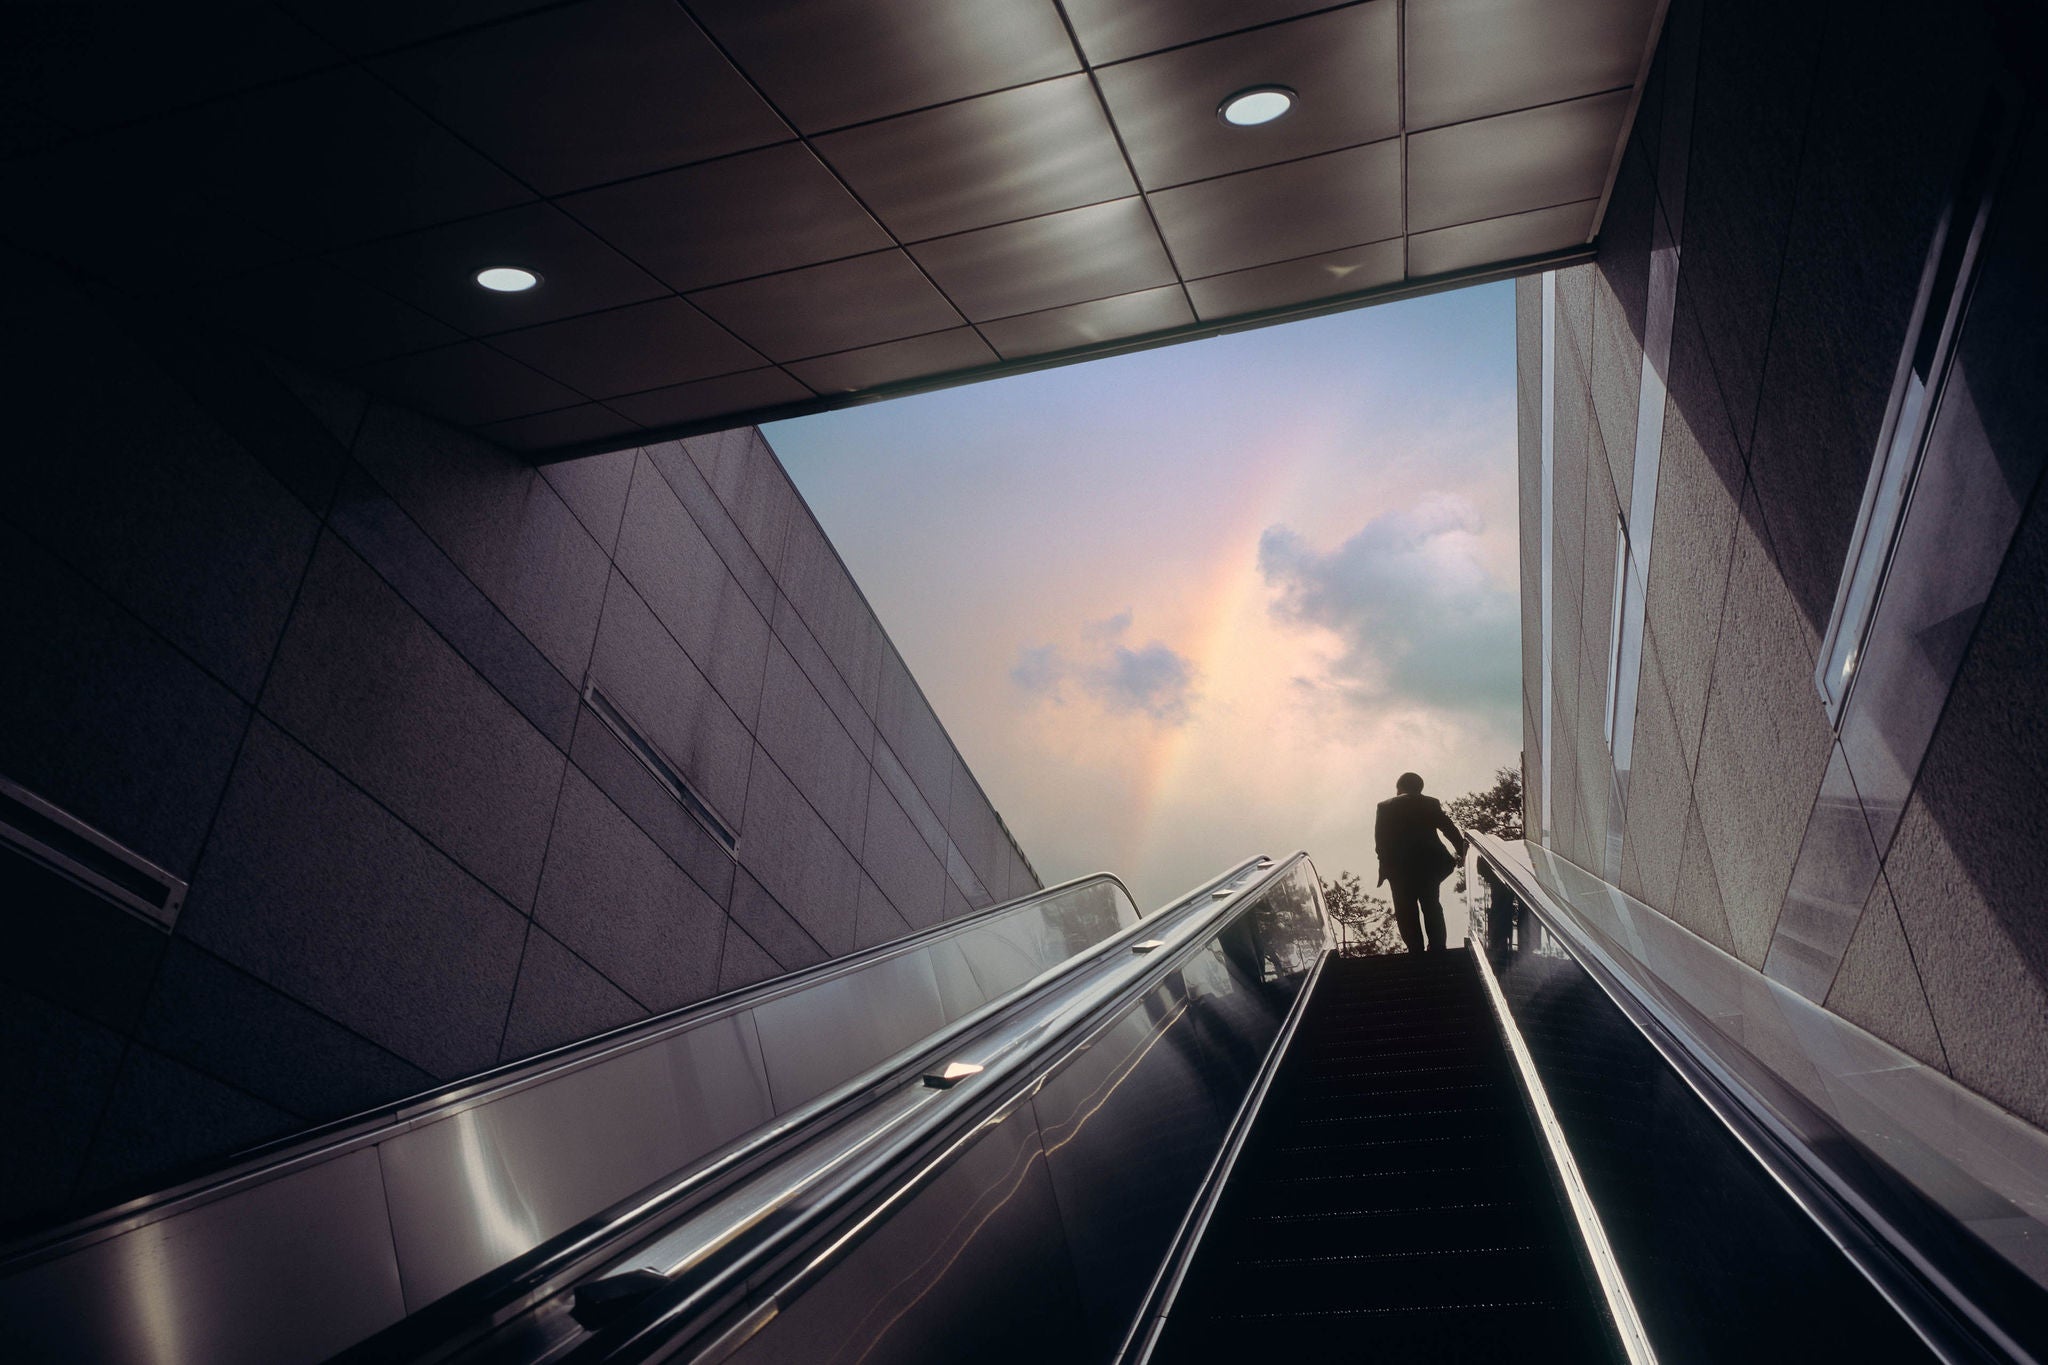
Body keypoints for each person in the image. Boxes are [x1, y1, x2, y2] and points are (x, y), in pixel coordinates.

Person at [1374, 772, 1467, 954]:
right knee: (1431, 903)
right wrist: (1462, 851)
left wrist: (1384, 866)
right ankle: (1438, 946)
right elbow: (1448, 828)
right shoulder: (1430, 803)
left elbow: (1381, 841)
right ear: (1420, 788)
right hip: (1430, 864)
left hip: (1400, 867)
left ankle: (1415, 948)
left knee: (1405, 908)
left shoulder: (1385, 807)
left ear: (1399, 787)